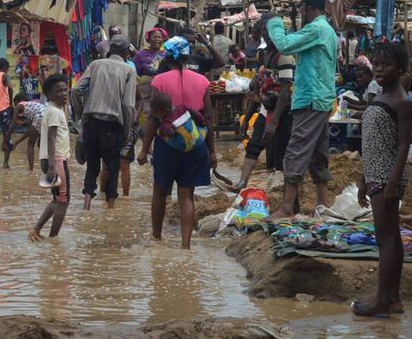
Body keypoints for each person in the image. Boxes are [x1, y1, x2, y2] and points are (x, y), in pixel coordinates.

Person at [350, 42, 412, 319]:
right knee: (391, 239)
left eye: (386, 65)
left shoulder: (400, 102)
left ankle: (382, 300)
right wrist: (364, 178)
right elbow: (374, 143)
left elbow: (403, 145)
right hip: (376, 174)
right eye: (376, 64)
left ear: (400, 69)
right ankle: (393, 298)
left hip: (387, 176)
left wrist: (390, 183)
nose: (379, 69)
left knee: (386, 240)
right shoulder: (380, 96)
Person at [267, 0, 338, 220]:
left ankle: (287, 207)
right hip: (321, 99)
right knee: (318, 155)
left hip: (311, 98)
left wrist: (275, 23)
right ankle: (322, 205)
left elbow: (284, 45)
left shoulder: (317, 29)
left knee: (295, 152)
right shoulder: (326, 30)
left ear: (307, 7)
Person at [139, 37, 215, 250]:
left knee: (160, 192)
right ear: (186, 56)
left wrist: (144, 150)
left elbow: (154, 117)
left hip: (167, 144)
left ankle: (156, 239)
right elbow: (208, 117)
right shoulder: (202, 81)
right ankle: (186, 246)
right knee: (186, 195)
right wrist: (213, 152)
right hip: (195, 144)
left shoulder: (159, 81)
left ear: (167, 56)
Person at [74, 35, 137, 209]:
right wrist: (126, 131)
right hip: (113, 125)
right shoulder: (129, 71)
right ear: (125, 52)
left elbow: (76, 90)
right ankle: (111, 209)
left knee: (91, 166)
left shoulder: (95, 65)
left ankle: (86, 206)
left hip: (91, 122)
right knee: (113, 166)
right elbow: (128, 105)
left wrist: (81, 116)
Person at [233, 15, 295, 191]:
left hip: (283, 112)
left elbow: (285, 92)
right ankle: (242, 182)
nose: (267, 34)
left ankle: (284, 193)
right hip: (265, 109)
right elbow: (257, 89)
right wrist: (246, 120)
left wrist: (274, 122)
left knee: (283, 153)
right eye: (264, 30)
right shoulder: (262, 55)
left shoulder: (285, 56)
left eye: (271, 30)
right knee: (254, 146)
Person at [30, 74, 71, 241]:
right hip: (57, 160)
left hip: (50, 158)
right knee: (63, 201)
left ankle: (36, 230)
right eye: (58, 91)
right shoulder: (54, 111)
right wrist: (53, 165)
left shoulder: (53, 109)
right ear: (49, 94)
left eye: (64, 89)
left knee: (57, 199)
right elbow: (51, 137)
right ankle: (53, 239)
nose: (63, 93)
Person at [5, 99, 45, 171]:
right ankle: (48, 166)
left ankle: (31, 170)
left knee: (30, 144)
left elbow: (12, 126)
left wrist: (5, 141)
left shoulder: (19, 105)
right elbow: (30, 132)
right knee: (41, 145)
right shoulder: (32, 108)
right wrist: (17, 142)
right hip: (47, 114)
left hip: (40, 115)